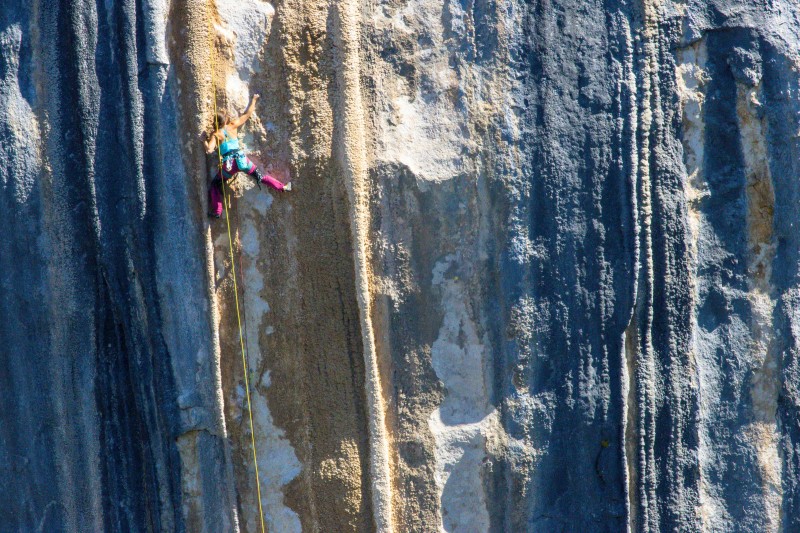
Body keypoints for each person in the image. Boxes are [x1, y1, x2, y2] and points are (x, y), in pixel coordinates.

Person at [203, 93, 291, 217]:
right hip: (241, 160)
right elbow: (247, 114)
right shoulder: (232, 126)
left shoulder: (217, 134)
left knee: (215, 184)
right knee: (261, 176)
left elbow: (209, 150)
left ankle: (217, 211)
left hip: (229, 165)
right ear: (226, 120)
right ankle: (282, 187)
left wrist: (204, 141)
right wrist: (254, 99)